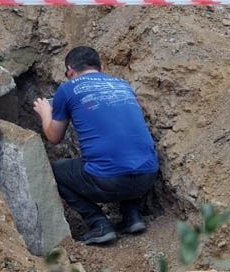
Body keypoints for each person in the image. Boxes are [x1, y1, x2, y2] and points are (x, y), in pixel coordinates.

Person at [33, 46, 159, 245]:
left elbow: (54, 137)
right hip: (147, 176)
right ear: (101, 67)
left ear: (70, 72)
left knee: (56, 171)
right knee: (124, 151)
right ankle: (132, 216)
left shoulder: (68, 88)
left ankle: (98, 223)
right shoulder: (122, 84)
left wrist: (45, 112)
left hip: (108, 181)